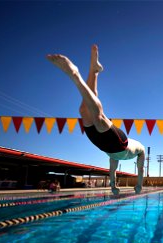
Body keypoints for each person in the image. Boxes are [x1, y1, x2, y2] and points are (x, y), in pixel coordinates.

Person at [47, 45, 145, 195]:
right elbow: (140, 168)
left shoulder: (114, 159)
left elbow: (113, 172)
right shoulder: (141, 149)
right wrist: (139, 185)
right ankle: (75, 75)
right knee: (98, 116)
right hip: (120, 143)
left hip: (103, 146)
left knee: (83, 110)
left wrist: (113, 186)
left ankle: (94, 70)